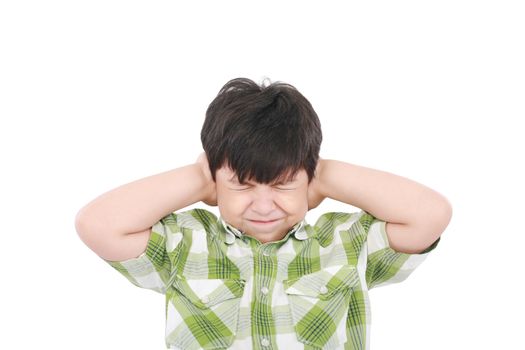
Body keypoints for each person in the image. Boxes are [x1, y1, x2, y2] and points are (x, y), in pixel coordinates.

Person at [75, 77, 452, 350]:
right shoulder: (185, 244)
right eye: (241, 185)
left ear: (309, 180)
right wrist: (196, 179)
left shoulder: (345, 243)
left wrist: (323, 174)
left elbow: (429, 215)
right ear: (214, 182)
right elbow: (99, 225)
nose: (263, 204)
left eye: (283, 184)